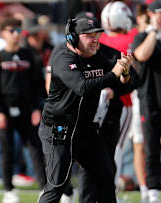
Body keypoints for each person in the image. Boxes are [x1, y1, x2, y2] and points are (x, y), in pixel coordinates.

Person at [37, 17, 135, 203]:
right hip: (58, 131)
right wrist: (114, 72)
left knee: (106, 177)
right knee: (57, 185)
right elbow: (81, 87)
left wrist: (125, 72)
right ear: (73, 38)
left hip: (85, 131)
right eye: (89, 36)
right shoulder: (63, 58)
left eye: (96, 35)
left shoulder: (97, 58)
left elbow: (122, 84)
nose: (95, 40)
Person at [0, 17, 46, 203]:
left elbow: (37, 86)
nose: (16, 34)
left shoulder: (29, 56)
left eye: (18, 30)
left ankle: (45, 187)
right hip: (4, 110)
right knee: (7, 150)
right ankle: (8, 189)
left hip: (27, 110)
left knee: (35, 148)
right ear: (3, 33)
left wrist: (37, 108)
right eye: (11, 30)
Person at [131, 0, 161, 202]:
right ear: (151, 14)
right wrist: (153, 32)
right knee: (151, 149)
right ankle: (153, 192)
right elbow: (141, 55)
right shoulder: (143, 36)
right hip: (150, 101)